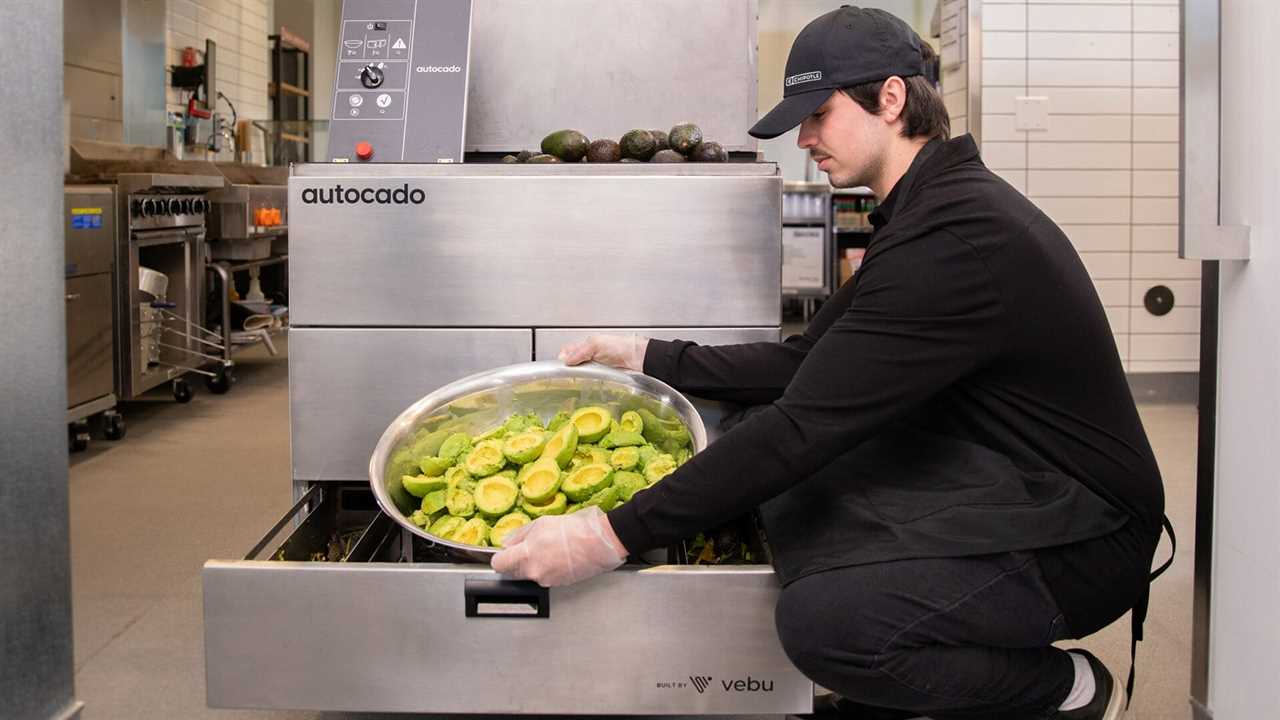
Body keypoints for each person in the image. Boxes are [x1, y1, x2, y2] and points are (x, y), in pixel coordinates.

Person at [492, 7, 1169, 720]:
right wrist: (650, 356)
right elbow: (806, 364)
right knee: (786, 479)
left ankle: (1065, 691)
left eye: (818, 113)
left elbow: (801, 427)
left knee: (828, 625)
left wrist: (608, 533)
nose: (805, 138)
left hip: (1084, 535)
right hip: (998, 471)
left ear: (891, 98)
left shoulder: (958, 238)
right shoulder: (925, 212)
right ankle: (918, 671)